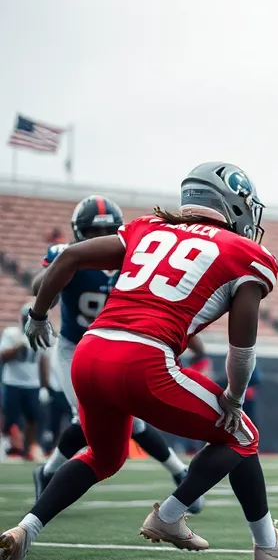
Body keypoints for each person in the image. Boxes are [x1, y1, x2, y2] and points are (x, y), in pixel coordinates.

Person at [1, 162, 278, 560]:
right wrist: (235, 398)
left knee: (104, 455)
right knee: (242, 435)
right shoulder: (244, 253)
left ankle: (23, 531)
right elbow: (242, 350)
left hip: (88, 355)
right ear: (231, 203)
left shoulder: (147, 227)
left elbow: (70, 255)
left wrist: (38, 316)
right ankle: (175, 517)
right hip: (142, 360)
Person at [30, 197, 198, 509]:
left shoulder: (133, 256)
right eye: (95, 232)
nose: (101, 237)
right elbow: (37, 286)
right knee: (86, 416)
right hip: (73, 348)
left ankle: (179, 471)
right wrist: (63, 260)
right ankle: (50, 472)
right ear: (80, 234)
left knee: (132, 424)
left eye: (108, 231)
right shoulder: (69, 255)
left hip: (113, 348)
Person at [2, 305, 46, 460]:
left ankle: (28, 449)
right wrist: (17, 348)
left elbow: (42, 362)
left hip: (32, 384)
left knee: (32, 418)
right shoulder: (12, 334)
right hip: (13, 382)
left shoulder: (40, 335)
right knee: (9, 417)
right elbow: (3, 357)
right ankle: (6, 447)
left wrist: (44, 386)